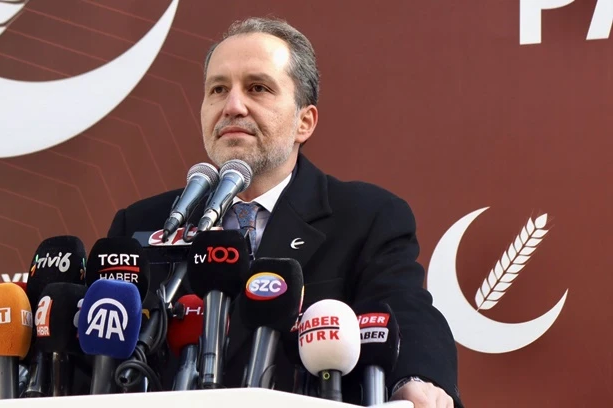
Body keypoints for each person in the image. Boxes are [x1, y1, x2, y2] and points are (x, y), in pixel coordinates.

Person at [108, 16, 462, 408]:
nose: (232, 106)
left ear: (304, 122)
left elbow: (404, 312)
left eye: (257, 88)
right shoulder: (144, 224)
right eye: (218, 89)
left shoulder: (366, 218)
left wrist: (415, 379)